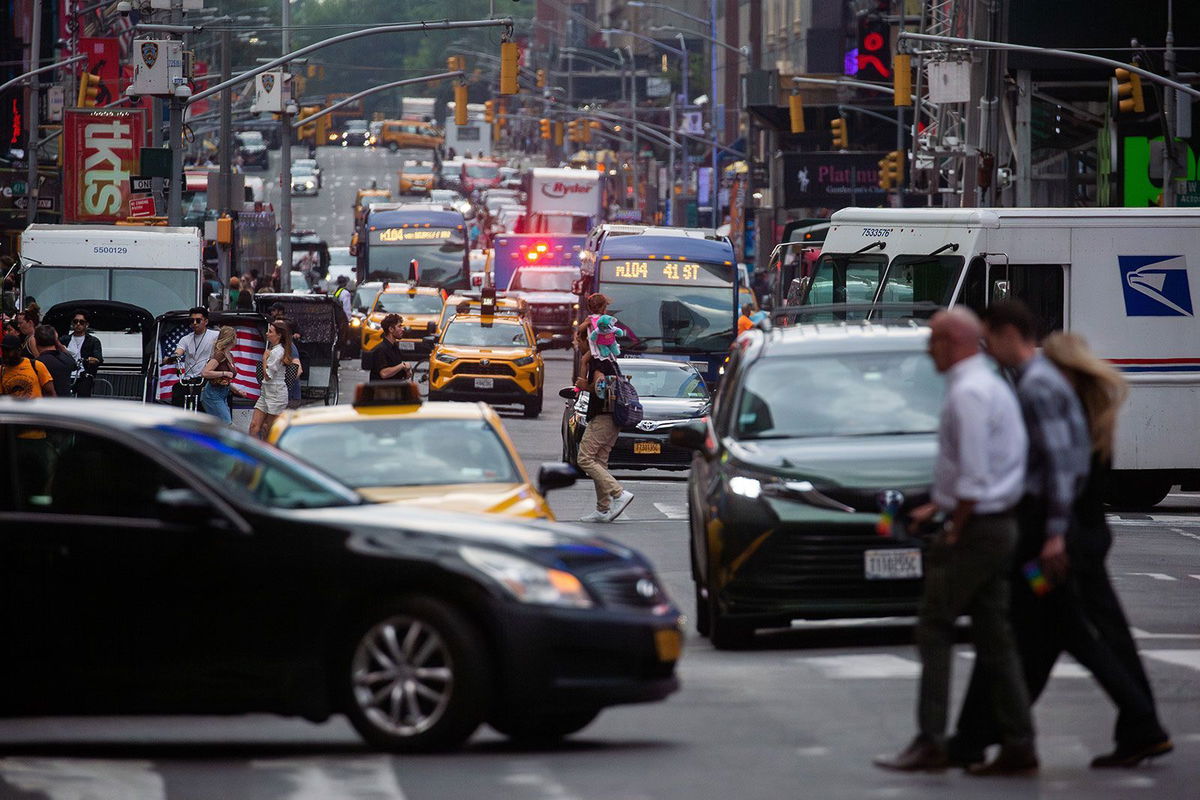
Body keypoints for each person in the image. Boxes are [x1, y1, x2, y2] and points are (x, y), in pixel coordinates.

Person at [949, 301, 1170, 769]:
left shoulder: (1038, 387)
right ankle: (991, 737)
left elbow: (1058, 470)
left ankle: (984, 738)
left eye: (990, 339)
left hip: (1052, 544)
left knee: (1044, 630)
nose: (988, 350)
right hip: (1061, 540)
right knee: (1041, 633)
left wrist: (1052, 536)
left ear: (1009, 332)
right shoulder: (1055, 392)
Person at [874, 308, 1036, 775]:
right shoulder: (989, 386)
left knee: (935, 626)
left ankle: (931, 741)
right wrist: (937, 504)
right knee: (994, 635)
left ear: (953, 342)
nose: (928, 351)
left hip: (978, 527)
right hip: (998, 523)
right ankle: (1019, 741)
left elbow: (974, 475)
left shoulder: (967, 392)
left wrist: (954, 524)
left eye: (932, 341)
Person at [1042, 332, 1172, 767]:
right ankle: (1141, 727)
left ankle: (1143, 724)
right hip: (1088, 538)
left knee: (1062, 629)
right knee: (1054, 631)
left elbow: (1065, 482)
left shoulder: (1070, 412)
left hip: (1069, 543)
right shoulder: (1096, 410)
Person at [572, 305, 634, 524]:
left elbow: (600, 387)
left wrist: (585, 385)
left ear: (584, 340)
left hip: (603, 416)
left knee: (584, 458)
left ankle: (618, 493)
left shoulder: (599, 364)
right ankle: (603, 509)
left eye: (576, 341)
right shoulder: (608, 360)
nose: (574, 344)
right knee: (600, 460)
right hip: (614, 416)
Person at [248, 320, 292, 439]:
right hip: (266, 391)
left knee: (268, 429)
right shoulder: (274, 350)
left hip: (276, 393)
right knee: (254, 426)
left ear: (279, 335)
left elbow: (267, 375)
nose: (267, 334)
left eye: (270, 332)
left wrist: (264, 359)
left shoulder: (278, 352)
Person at [167, 307, 219, 407]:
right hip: (188, 379)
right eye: (192, 320)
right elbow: (179, 351)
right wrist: (172, 358)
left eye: (198, 320)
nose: (195, 323)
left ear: (206, 321)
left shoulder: (215, 335)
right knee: (177, 391)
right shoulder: (185, 339)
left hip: (205, 379)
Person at [200, 326, 247, 424]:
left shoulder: (229, 355)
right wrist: (224, 373)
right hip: (213, 393)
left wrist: (237, 390)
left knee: (220, 426)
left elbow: (224, 379)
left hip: (223, 392)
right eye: (235, 336)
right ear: (231, 338)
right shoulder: (220, 354)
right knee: (227, 424)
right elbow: (205, 372)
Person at [268, 304, 304, 407]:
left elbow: (298, 370)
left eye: (271, 331)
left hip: (289, 397)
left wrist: (282, 385)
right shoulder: (274, 347)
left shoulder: (289, 347)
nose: (267, 333)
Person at [1, 333, 55, 397]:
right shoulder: (2, 371)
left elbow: (51, 393)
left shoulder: (36, 365)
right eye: (3, 350)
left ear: (19, 350)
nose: (5, 354)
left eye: (8, 351)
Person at [65, 309, 103, 396]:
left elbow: (99, 359)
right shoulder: (65, 339)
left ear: (87, 324)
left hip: (84, 375)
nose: (78, 324)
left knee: (83, 397)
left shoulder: (93, 341)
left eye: (81, 322)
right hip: (67, 375)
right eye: (75, 321)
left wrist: (91, 360)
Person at [34, 325, 77, 397]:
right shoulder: (66, 359)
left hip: (44, 404)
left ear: (36, 341)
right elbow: (74, 364)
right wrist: (58, 342)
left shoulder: (36, 363)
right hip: (65, 403)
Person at [367, 313, 411, 382]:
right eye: (399, 326)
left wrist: (407, 371)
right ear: (391, 329)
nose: (402, 329)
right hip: (381, 390)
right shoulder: (381, 349)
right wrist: (402, 366)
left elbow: (397, 372)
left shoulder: (395, 347)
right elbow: (384, 373)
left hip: (394, 389)